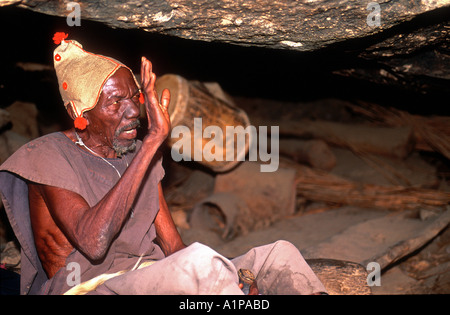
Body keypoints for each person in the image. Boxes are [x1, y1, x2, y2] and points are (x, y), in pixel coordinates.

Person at [0, 33, 327, 295]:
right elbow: (93, 242)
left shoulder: (136, 152)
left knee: (277, 256)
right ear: (79, 114)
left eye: (135, 96)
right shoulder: (47, 155)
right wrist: (155, 141)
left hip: (151, 276)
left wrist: (232, 276)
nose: (133, 111)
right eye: (116, 101)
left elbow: (172, 245)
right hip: (89, 287)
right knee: (202, 266)